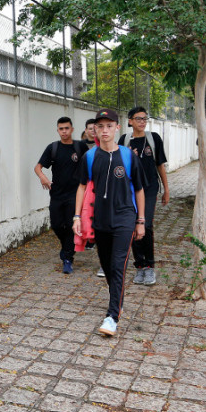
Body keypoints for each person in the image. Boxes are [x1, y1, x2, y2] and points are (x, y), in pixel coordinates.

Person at [73, 109, 146, 337]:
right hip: (100, 219)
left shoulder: (128, 156)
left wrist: (140, 221)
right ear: (95, 129)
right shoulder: (90, 157)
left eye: (109, 126)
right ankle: (117, 298)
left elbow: (140, 189)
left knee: (117, 266)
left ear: (117, 128)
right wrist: (76, 217)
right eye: (100, 126)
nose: (104, 130)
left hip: (125, 218)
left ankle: (112, 316)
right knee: (106, 266)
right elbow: (82, 186)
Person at [119, 107, 170, 286]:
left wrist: (166, 189)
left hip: (149, 189)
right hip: (129, 190)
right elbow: (119, 167)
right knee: (133, 227)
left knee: (145, 224)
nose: (142, 121)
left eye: (144, 118)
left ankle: (150, 267)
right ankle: (140, 266)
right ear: (130, 121)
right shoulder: (124, 141)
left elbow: (160, 165)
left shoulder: (153, 138)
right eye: (138, 118)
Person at [34, 117, 88, 274]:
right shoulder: (53, 148)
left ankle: (67, 258)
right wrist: (43, 177)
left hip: (75, 194)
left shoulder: (80, 147)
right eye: (61, 129)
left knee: (71, 226)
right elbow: (38, 167)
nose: (64, 131)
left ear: (72, 129)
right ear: (58, 130)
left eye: (66, 128)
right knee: (57, 225)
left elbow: (91, 163)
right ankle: (66, 248)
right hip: (57, 194)